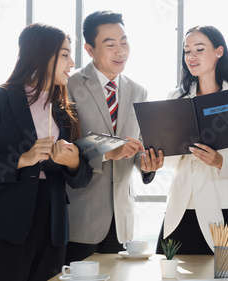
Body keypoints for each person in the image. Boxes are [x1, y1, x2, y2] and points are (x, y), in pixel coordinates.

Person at [0, 23, 93, 281]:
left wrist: (73, 162)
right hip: (4, 225)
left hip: (52, 228)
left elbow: (83, 176)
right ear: (40, 54)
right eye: (65, 54)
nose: (72, 62)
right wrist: (22, 159)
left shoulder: (64, 110)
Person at [65, 10, 163, 263]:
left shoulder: (139, 91)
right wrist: (107, 154)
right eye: (110, 45)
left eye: (124, 42)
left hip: (122, 218)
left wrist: (145, 163)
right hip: (79, 215)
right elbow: (62, 147)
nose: (120, 51)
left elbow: (138, 145)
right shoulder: (69, 86)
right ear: (89, 49)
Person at [155, 25, 228, 255]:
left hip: (224, 203)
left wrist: (220, 161)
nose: (191, 56)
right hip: (182, 203)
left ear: (219, 51)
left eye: (199, 49)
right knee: (172, 273)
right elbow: (170, 161)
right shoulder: (176, 97)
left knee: (226, 274)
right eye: (187, 50)